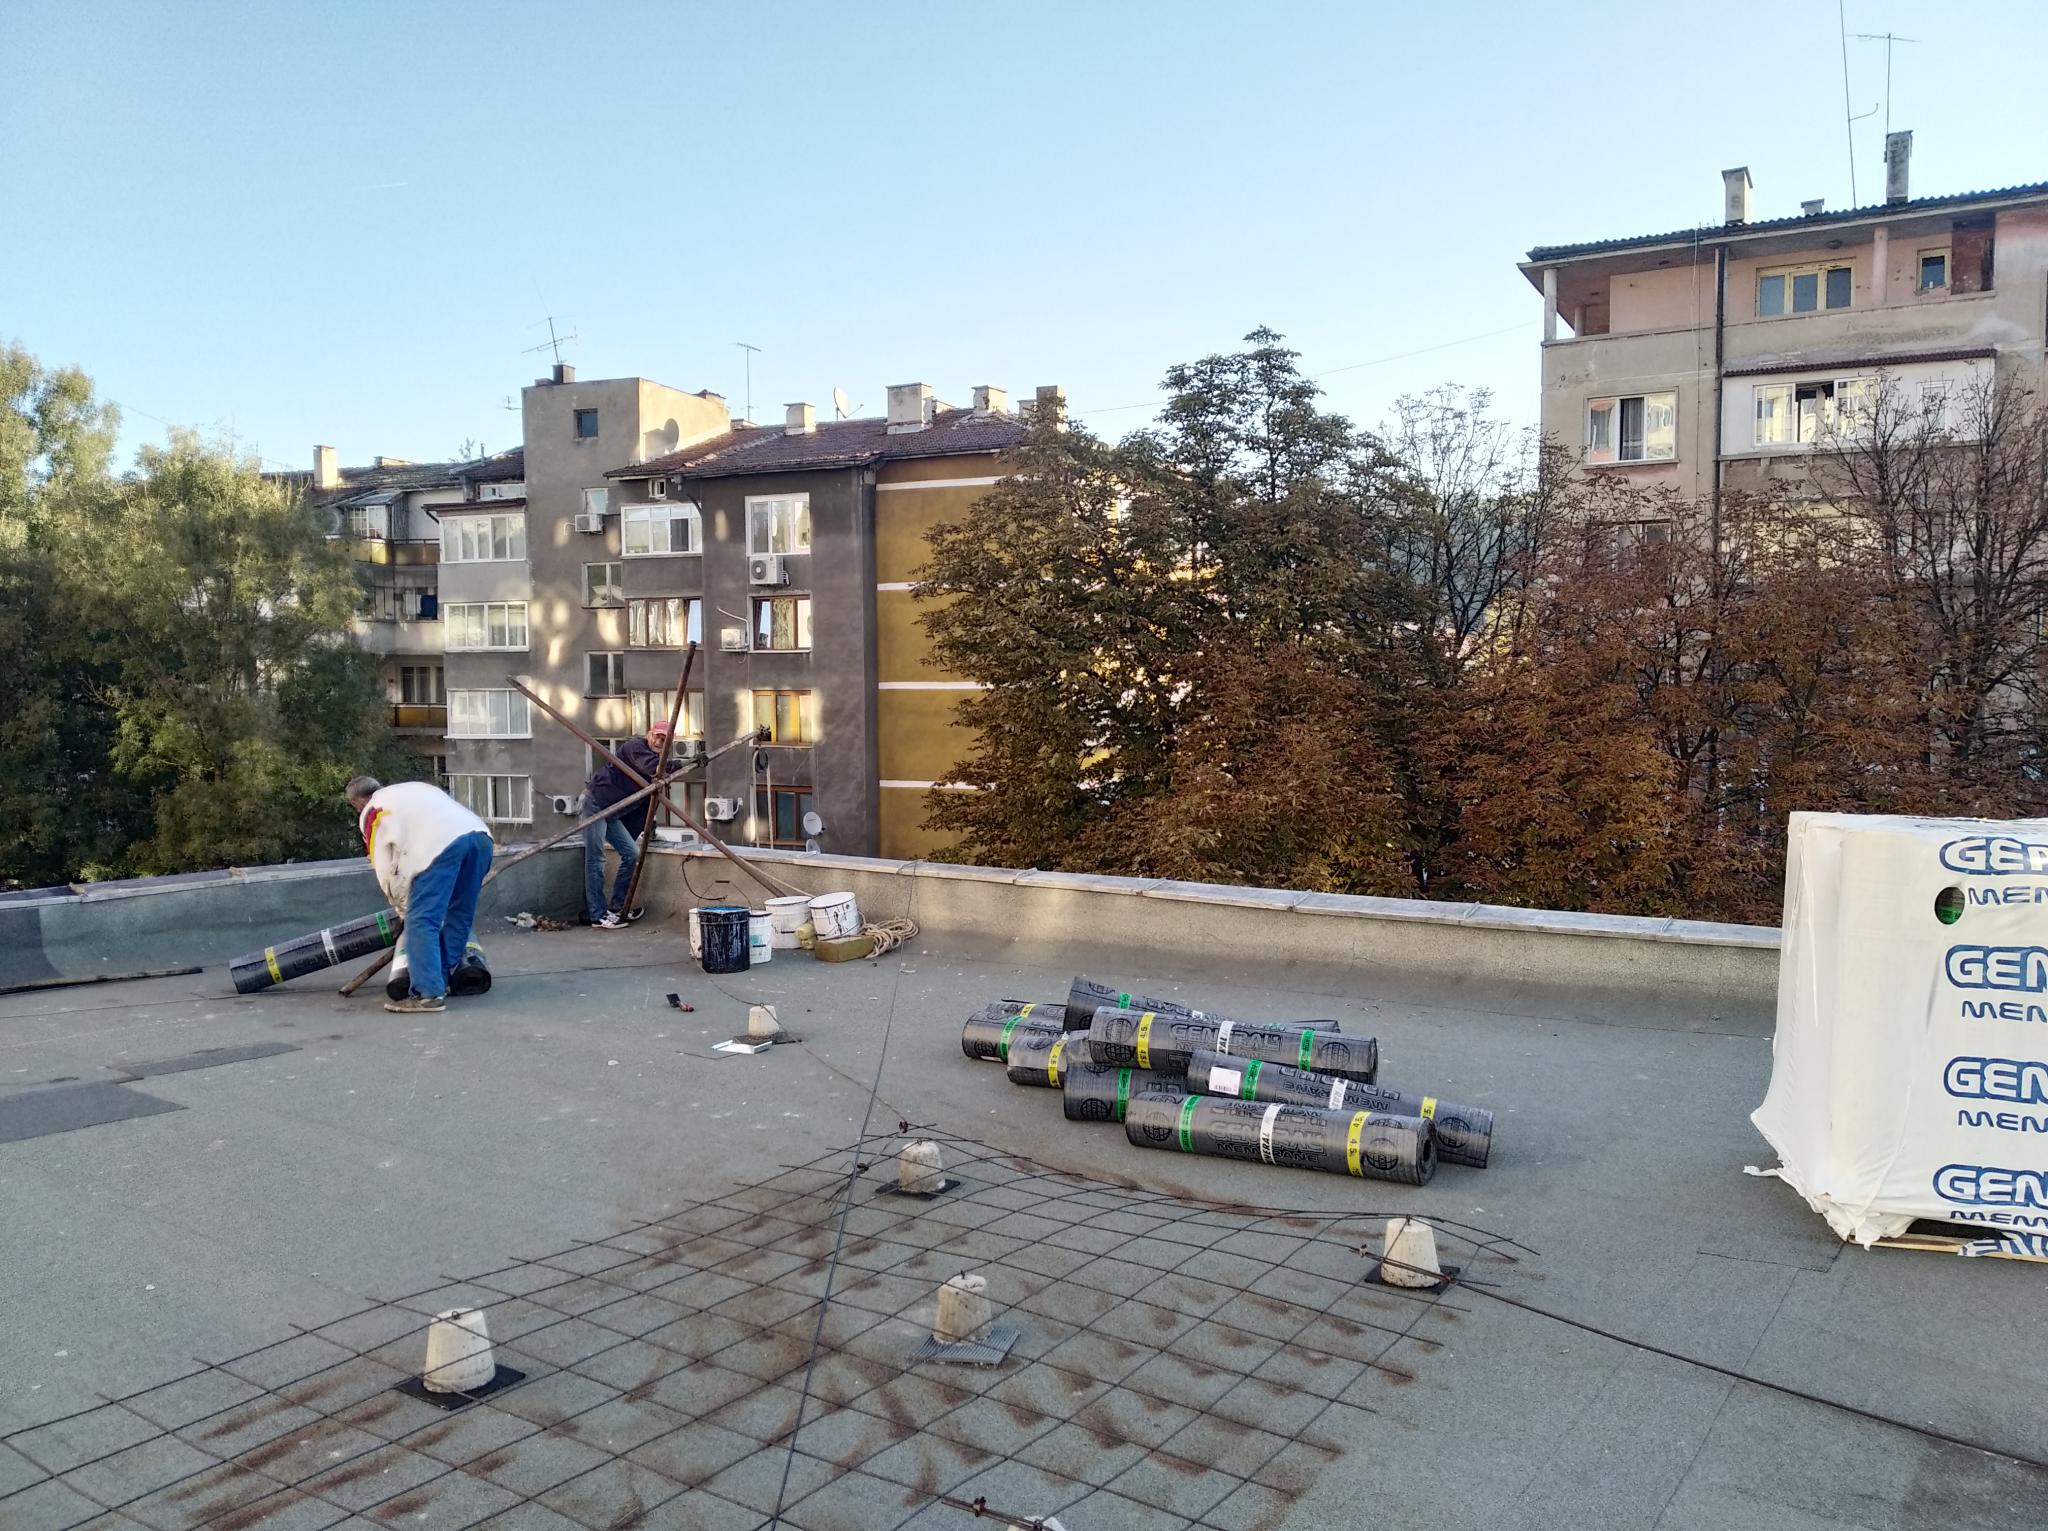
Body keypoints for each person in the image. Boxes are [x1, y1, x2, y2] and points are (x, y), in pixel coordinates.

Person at [347, 775, 495, 1014]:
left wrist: (402, 907)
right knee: (458, 913)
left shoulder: (372, 811)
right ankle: (441, 979)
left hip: (439, 848)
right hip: (480, 838)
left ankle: (428, 994)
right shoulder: (417, 788)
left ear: (358, 803)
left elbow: (384, 866)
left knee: (421, 921)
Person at [583, 719, 671, 929]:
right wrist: (684, 763)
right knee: (595, 860)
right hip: (595, 803)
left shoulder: (658, 765)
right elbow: (651, 766)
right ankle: (597, 915)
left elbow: (647, 803)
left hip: (612, 811)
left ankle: (618, 907)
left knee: (632, 853)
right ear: (649, 734)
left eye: (664, 739)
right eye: (657, 736)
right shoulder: (635, 747)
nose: (659, 741)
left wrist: (644, 830)